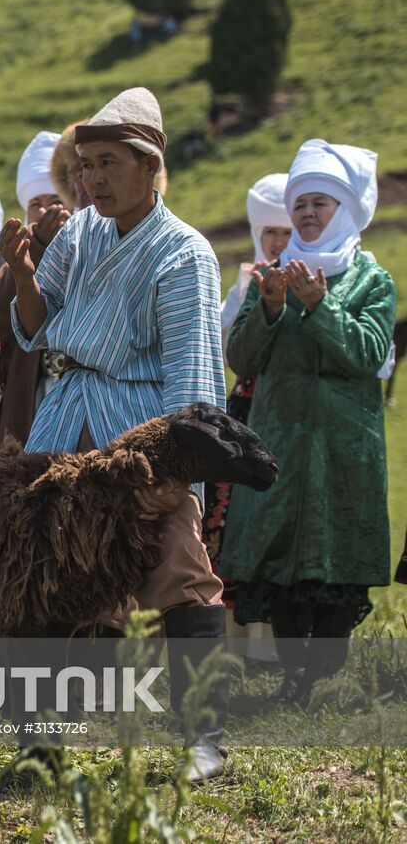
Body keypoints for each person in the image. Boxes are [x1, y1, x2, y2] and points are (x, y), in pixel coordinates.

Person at [0, 87, 229, 781]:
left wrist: (167, 466)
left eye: (107, 163)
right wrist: (21, 272)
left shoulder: (185, 254)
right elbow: (38, 327)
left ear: (149, 165)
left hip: (140, 430)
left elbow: (191, 376)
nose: (92, 179)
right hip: (64, 417)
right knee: (41, 572)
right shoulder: (79, 233)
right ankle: (40, 747)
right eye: (84, 166)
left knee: (176, 571)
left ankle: (205, 738)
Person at [220, 140, 397, 706]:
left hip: (343, 446)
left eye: (320, 203)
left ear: (344, 209)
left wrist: (321, 308)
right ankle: (294, 678)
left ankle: (320, 678)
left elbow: (369, 353)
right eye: (300, 205)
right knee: (280, 561)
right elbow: (242, 360)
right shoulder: (269, 276)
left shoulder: (373, 281)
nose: (307, 214)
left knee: (332, 559)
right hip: (277, 442)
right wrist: (269, 310)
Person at [201, 174, 292, 654]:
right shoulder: (245, 281)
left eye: (286, 231)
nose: (278, 241)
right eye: (271, 232)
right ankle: (240, 641)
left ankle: (278, 640)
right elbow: (222, 347)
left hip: (288, 412)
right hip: (246, 409)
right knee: (232, 520)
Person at [0, 131, 70, 446]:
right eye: (36, 204)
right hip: (31, 398)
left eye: (56, 202)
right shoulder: (10, 255)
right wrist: (37, 249)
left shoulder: (94, 244)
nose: (45, 213)